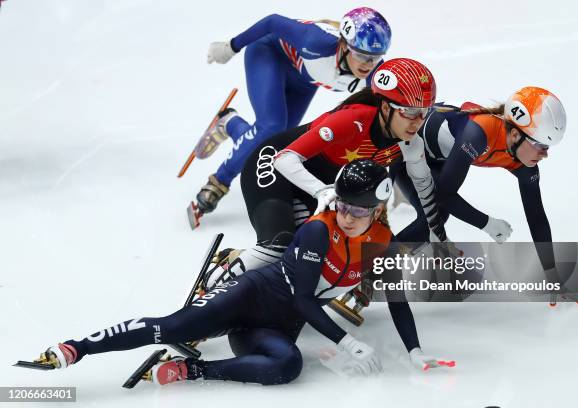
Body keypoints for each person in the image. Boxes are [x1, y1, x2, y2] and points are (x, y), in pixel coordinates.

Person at [26, 161, 452, 385]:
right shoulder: (319, 231)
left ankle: (195, 373)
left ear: (379, 210)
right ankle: (74, 349)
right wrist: (348, 342)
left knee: (287, 367)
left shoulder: (380, 235)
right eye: (341, 204)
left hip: (276, 326)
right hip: (250, 296)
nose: (346, 215)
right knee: (174, 326)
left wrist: (414, 351)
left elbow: (394, 296)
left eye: (358, 210)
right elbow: (304, 298)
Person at [207, 58, 449, 287]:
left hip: (312, 187)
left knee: (318, 247)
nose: (418, 121)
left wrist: (439, 237)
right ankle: (209, 288)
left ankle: (239, 260)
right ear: (386, 107)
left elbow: (426, 193)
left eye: (424, 112)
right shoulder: (353, 120)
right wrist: (320, 190)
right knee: (277, 245)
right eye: (409, 111)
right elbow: (284, 160)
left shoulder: (411, 144)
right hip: (274, 165)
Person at [193, 7, 392, 214]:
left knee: (275, 142)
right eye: (361, 55)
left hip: (305, 81)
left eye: (375, 57)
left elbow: (384, 121)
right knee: (271, 126)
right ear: (343, 44)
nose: (368, 64)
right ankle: (218, 182)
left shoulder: (377, 74)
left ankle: (231, 124)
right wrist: (231, 46)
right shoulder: (316, 41)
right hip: (269, 53)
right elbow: (272, 21)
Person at [391, 87, 572, 297]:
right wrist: (486, 223)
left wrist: (553, 277)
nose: (545, 154)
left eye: (548, 147)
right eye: (541, 145)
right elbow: (444, 195)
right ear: (515, 134)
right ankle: (371, 270)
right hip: (402, 148)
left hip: (435, 159)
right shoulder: (478, 133)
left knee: (437, 216)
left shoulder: (524, 159)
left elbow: (536, 216)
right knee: (434, 215)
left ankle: (419, 249)